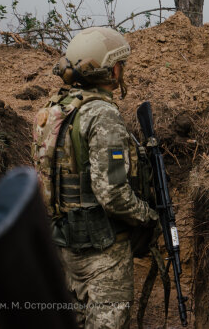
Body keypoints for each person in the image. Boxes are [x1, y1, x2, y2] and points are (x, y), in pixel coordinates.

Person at [39, 27, 158, 329]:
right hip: (103, 254)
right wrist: (148, 216)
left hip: (63, 246)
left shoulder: (56, 110)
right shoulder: (102, 116)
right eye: (122, 64)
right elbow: (113, 193)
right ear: (113, 69)